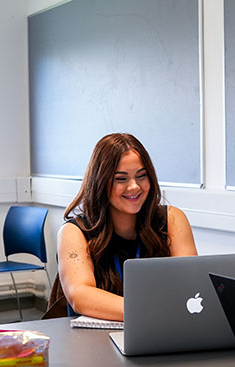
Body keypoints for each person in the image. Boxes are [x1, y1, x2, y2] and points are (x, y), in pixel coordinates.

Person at [46, 133, 197, 321]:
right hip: (96, 343)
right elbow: (80, 296)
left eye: (141, 176)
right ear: (100, 182)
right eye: (121, 179)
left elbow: (190, 283)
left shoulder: (172, 219)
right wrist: (151, 311)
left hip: (162, 331)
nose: (134, 187)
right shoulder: (74, 232)